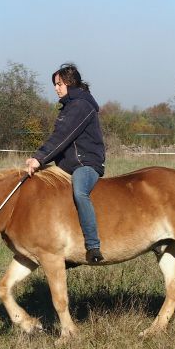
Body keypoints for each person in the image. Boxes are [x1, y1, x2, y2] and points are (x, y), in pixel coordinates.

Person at [25, 63, 106, 263]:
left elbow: (62, 136)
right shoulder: (69, 106)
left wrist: (39, 158)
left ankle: (93, 246)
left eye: (59, 84)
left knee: (80, 192)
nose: (56, 88)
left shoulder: (81, 106)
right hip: (68, 165)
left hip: (85, 164)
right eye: (55, 84)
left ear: (70, 83)